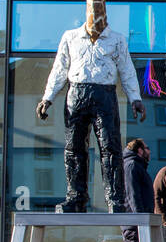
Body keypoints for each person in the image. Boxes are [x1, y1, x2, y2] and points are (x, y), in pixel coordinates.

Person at [36, 22, 145, 213]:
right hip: (76, 94)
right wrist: (48, 97)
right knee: (74, 148)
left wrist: (135, 98)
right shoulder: (70, 36)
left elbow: (127, 69)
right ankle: (75, 198)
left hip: (105, 95)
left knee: (110, 147)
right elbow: (59, 69)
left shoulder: (117, 39)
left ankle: (115, 199)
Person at [117, 138, 153, 242]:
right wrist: (140, 218)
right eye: (147, 148)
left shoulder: (135, 165)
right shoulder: (131, 165)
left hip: (136, 220)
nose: (149, 151)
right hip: (133, 222)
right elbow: (133, 195)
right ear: (140, 150)